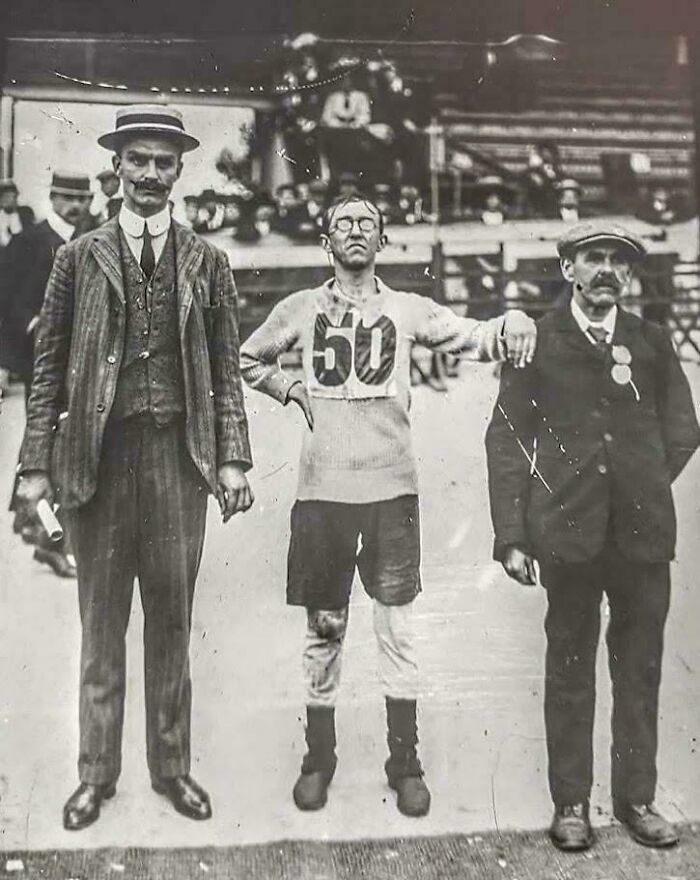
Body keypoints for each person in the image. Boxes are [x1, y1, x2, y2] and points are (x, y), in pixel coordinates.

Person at [240, 194, 537, 818]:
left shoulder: (407, 309)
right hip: (322, 494)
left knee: (397, 629)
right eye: (342, 222)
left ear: (382, 240)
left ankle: (405, 763)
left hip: (391, 492)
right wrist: (290, 387)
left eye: (366, 223)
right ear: (326, 241)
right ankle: (318, 759)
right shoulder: (301, 307)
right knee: (325, 629)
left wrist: (513, 317)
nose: (354, 230)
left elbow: (473, 337)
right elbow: (248, 357)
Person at [16, 105, 254, 831]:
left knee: (172, 623)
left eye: (163, 162)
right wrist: (34, 466)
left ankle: (172, 767)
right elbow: (48, 368)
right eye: (138, 160)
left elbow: (225, 370)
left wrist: (233, 459)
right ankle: (96, 774)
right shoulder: (76, 258)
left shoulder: (207, 262)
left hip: (178, 461)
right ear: (116, 167)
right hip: (97, 462)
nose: (150, 174)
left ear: (179, 171)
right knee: (101, 623)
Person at [485, 220, 700, 852]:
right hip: (568, 535)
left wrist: (642, 484)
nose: (607, 270)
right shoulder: (539, 342)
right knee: (570, 668)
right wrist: (513, 534)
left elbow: (683, 430)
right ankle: (572, 803)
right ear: (568, 269)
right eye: (594, 258)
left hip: (641, 536)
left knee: (640, 669)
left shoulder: (651, 341)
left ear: (629, 275)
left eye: (619, 261)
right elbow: (507, 439)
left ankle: (636, 799)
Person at [3, 171, 92, 578]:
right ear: (53, 197)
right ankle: (47, 538)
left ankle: (36, 524)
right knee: (45, 443)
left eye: (83, 198)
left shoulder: (93, 238)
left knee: (70, 444)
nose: (76, 205)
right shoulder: (28, 240)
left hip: (84, 359)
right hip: (41, 360)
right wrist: (34, 325)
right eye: (68, 197)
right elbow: (7, 297)